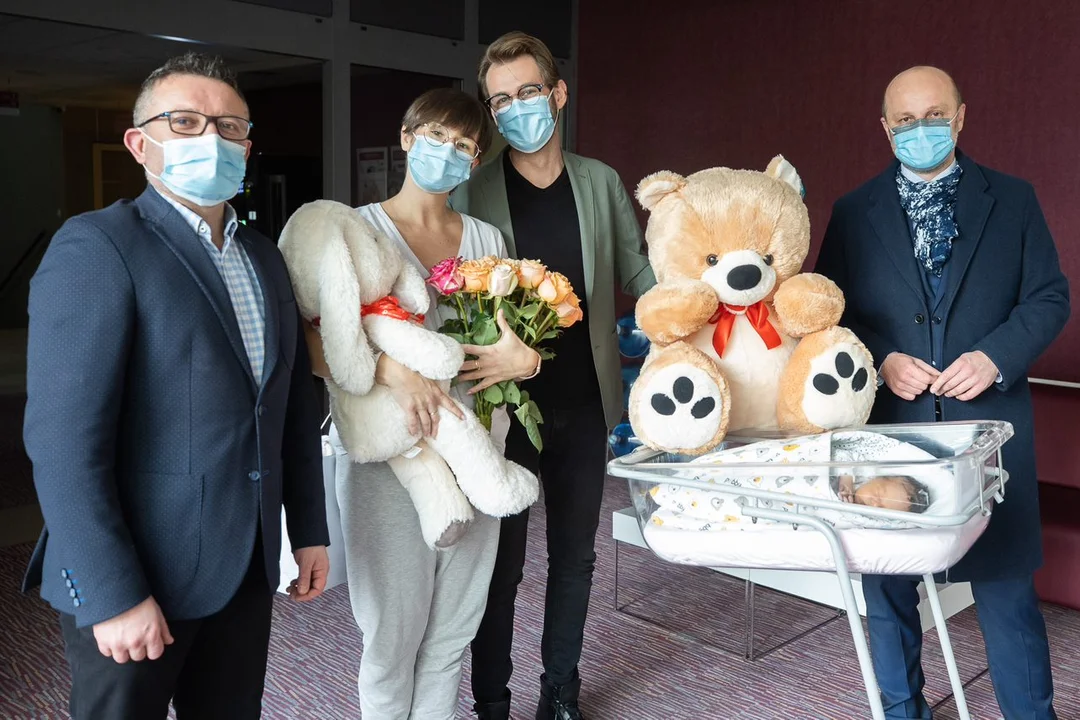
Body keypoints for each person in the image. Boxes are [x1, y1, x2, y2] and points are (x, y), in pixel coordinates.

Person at [20, 52, 330, 720]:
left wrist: (308, 528)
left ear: (247, 148)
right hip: (137, 577)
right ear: (140, 144)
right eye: (185, 122)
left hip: (244, 563)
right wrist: (111, 593)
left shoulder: (263, 256)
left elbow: (289, 408)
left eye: (229, 127)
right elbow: (63, 444)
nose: (211, 139)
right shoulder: (96, 246)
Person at [815, 65, 1069, 719]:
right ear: (885, 128)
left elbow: (1049, 297)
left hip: (989, 432)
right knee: (887, 592)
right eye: (905, 120)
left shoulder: (1013, 200)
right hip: (887, 431)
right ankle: (903, 711)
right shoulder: (852, 212)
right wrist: (880, 359)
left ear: (959, 117)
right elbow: (827, 312)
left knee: (1007, 597)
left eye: (933, 115)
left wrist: (995, 357)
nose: (920, 129)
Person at [302, 87, 540, 720]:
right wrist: (391, 370)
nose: (448, 152)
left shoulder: (487, 239)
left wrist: (526, 359)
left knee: (451, 635)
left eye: (464, 145)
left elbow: (511, 336)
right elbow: (311, 342)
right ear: (407, 138)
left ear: (475, 161)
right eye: (437, 136)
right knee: (390, 639)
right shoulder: (356, 230)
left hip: (477, 443)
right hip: (390, 453)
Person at [451, 31, 656, 720]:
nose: (516, 109)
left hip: (586, 400)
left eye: (528, 92)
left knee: (575, 558)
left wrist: (693, 316)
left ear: (558, 93)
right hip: (504, 406)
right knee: (501, 564)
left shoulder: (599, 181)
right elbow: (457, 296)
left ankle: (559, 691)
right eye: (500, 100)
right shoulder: (474, 190)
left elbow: (636, 271)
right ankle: (492, 700)